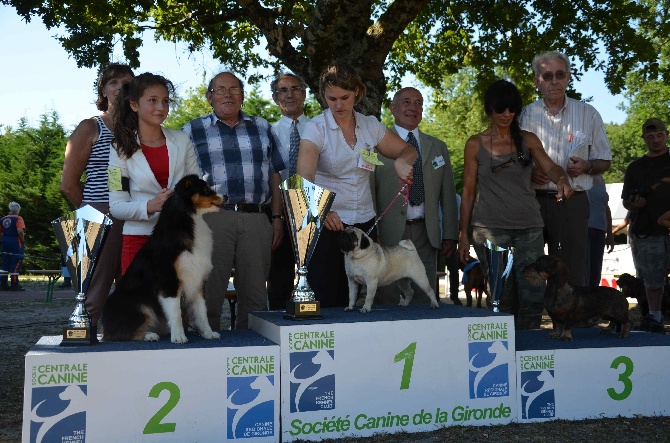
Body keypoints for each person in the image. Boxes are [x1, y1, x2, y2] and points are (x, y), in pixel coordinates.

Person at [297, 61, 417, 308]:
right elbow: (303, 180)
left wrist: (402, 163)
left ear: (357, 93)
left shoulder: (370, 125)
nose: (338, 105)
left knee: (365, 300)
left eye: (344, 97)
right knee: (330, 298)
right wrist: (322, 210)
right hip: (329, 224)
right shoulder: (315, 128)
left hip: (364, 224)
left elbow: (407, 150)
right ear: (323, 96)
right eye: (331, 99)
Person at [459, 79, 573, 330]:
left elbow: (551, 167)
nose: (507, 114)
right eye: (501, 109)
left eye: (512, 109)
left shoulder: (528, 140)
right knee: (500, 295)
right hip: (489, 228)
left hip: (529, 227)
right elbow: (467, 192)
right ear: (489, 109)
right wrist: (462, 234)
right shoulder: (474, 144)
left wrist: (562, 179)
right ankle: (501, 350)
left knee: (533, 292)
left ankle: (529, 347)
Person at [183, 72, 285, 329]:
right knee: (208, 292)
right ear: (209, 97)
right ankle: (205, 352)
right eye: (220, 89)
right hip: (211, 220)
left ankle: (253, 353)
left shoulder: (262, 127)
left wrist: (276, 218)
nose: (227, 94)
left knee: (255, 296)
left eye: (234, 89)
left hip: (256, 219)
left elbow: (275, 176)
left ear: (242, 95)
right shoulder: (191, 130)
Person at [520, 50, 612, 287]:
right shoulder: (524, 115)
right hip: (533, 201)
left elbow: (606, 161)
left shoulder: (588, 114)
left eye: (559, 75)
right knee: (532, 266)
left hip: (574, 201)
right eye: (547, 76)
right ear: (537, 81)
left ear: (568, 77)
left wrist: (589, 165)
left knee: (572, 269)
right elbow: (513, 159)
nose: (554, 81)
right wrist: (529, 172)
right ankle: (531, 321)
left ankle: (574, 323)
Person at [61, 63, 134, 323]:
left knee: (135, 282)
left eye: (126, 84)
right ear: (103, 90)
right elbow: (68, 184)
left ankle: (127, 336)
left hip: (137, 212)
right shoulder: (90, 127)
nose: (120, 89)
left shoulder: (142, 128)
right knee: (96, 285)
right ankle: (85, 335)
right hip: (100, 211)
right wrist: (95, 213)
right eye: (113, 83)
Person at [108, 73, 201, 274]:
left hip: (179, 240)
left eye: (165, 101)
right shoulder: (118, 149)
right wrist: (151, 206)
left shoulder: (182, 140)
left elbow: (197, 188)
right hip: (137, 241)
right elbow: (116, 207)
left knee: (176, 305)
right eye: (153, 101)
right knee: (137, 305)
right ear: (134, 105)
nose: (161, 107)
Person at [373, 87, 459, 306]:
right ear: (393, 108)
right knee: (387, 298)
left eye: (419, 103)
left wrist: (450, 234)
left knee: (425, 297)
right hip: (388, 234)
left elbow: (448, 194)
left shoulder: (438, 147)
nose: (413, 107)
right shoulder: (376, 146)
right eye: (406, 102)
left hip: (426, 234)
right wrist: (374, 232)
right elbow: (370, 192)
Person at [267, 72, 311, 309]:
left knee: (316, 279)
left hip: (314, 213)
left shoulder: (319, 129)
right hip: (279, 214)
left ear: (304, 95)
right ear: (275, 98)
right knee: (279, 281)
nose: (290, 94)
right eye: (283, 90)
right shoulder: (268, 133)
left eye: (295, 89)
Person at [622, 118, 670, 333]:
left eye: (659, 135)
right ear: (644, 139)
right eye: (650, 137)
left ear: (666, 135)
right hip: (648, 230)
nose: (655, 140)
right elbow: (625, 201)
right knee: (652, 277)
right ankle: (655, 316)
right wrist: (634, 203)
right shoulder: (635, 167)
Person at [586, 175, 615, 286]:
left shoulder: (601, 179)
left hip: (599, 230)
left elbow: (606, 207)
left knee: (595, 271)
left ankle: (593, 300)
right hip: (584, 229)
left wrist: (610, 235)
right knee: (583, 270)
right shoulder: (578, 175)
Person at [1, 202, 26, 291]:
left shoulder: (3, 219)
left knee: (5, 262)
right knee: (16, 261)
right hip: (15, 241)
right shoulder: (18, 218)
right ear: (18, 210)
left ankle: (3, 284)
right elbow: (19, 230)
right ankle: (14, 284)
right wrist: (22, 239)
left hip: (5, 240)